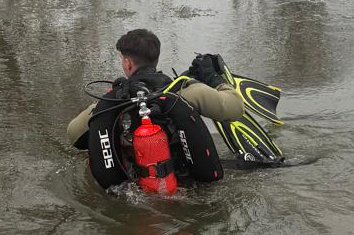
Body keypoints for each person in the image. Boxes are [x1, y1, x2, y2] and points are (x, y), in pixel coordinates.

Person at [64, 28, 245, 151]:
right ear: (156, 58)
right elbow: (236, 108)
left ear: (127, 63)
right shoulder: (188, 93)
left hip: (132, 190)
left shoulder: (112, 102)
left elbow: (73, 134)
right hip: (181, 184)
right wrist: (214, 80)